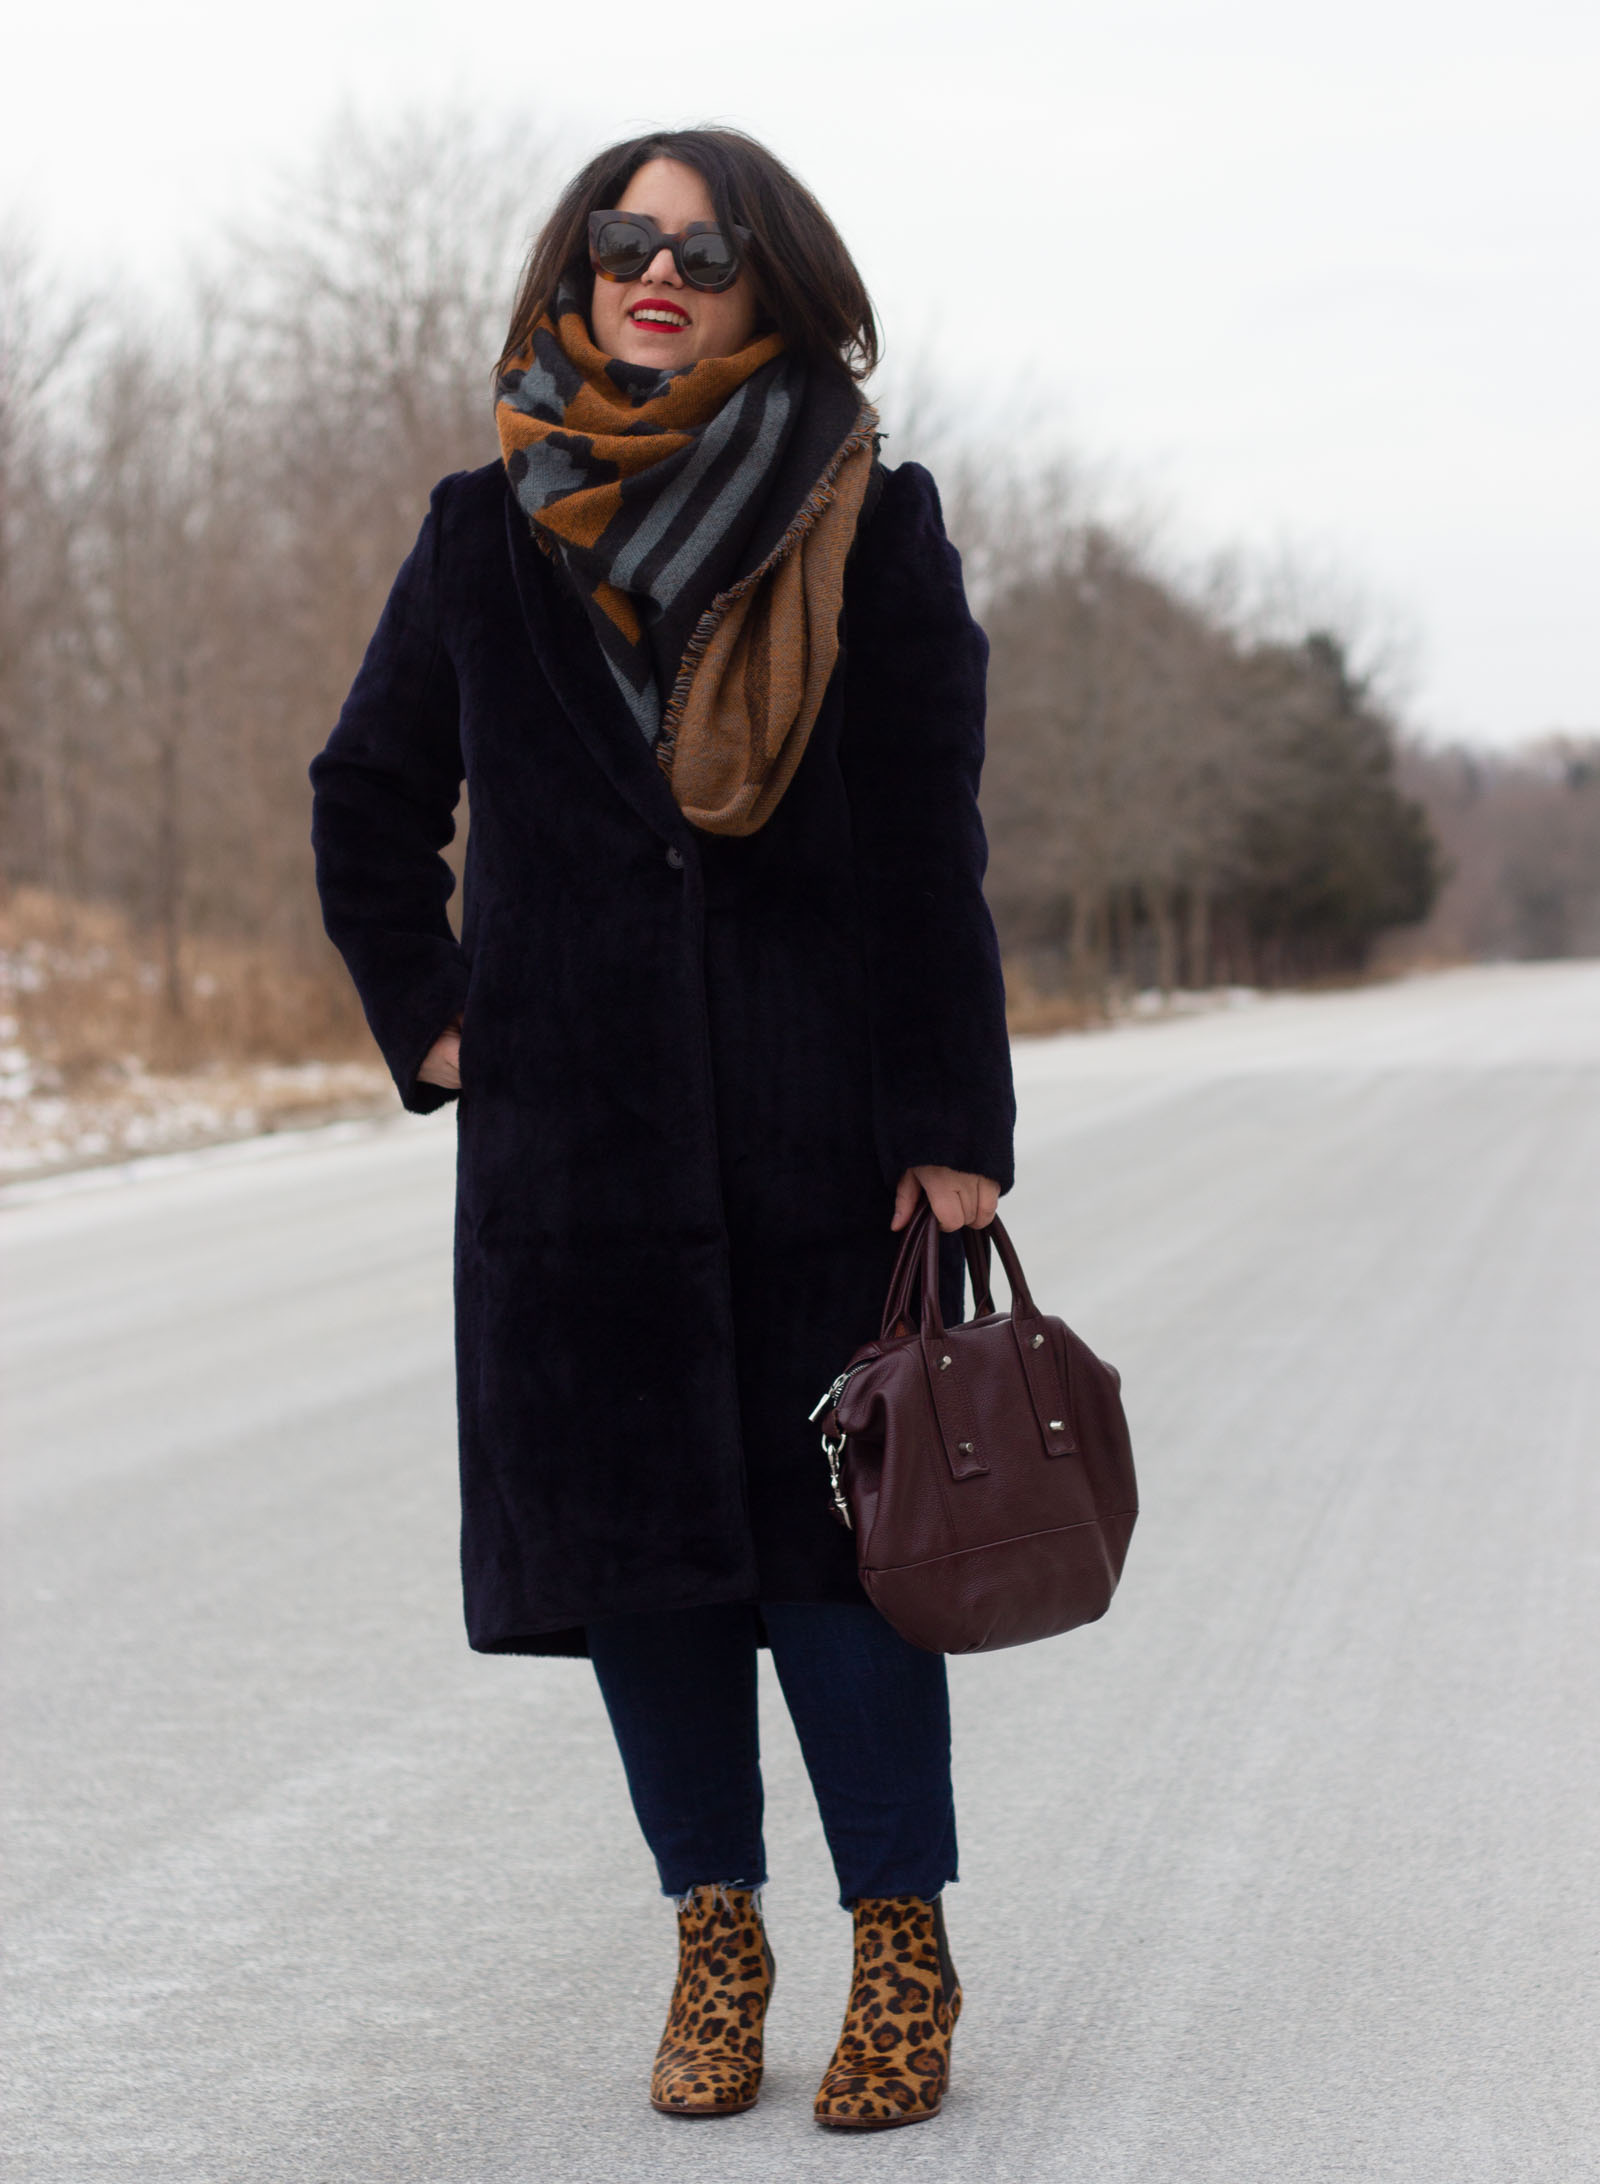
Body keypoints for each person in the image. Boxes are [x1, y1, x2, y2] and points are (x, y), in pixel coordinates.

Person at [309, 126, 1014, 2132]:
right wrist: (440, 1020)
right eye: (627, 243)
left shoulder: (866, 524)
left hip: (817, 1135)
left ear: (770, 290)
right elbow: (365, 796)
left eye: (703, 259)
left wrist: (949, 1111)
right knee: (644, 1569)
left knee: (842, 1559)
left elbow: (924, 843)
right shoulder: (479, 533)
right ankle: (715, 1943)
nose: (657, 277)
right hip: (579, 1159)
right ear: (579, 269)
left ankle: (903, 1943)